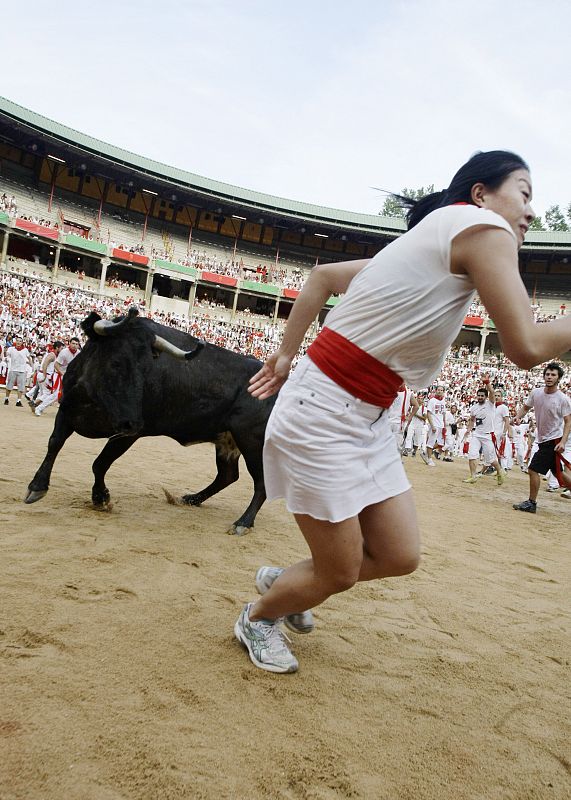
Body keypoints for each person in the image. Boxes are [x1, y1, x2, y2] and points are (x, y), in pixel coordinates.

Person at [234, 150, 571, 674]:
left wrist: (285, 353)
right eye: (524, 194)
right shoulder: (484, 228)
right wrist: (284, 355)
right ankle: (257, 617)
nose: (530, 212)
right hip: (324, 411)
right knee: (342, 571)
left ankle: (290, 583)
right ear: (481, 194)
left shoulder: (428, 243)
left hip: (364, 415)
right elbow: (525, 346)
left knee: (397, 555)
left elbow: (321, 276)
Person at [513, 363, 571, 513]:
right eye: (547, 374)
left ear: (559, 379)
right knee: (560, 474)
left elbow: (568, 421)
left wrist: (563, 441)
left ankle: (532, 503)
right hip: (544, 439)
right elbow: (526, 407)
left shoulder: (562, 399)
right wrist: (518, 417)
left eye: (553, 375)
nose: (549, 377)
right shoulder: (536, 393)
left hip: (554, 440)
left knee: (533, 469)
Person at [463, 379, 505, 485]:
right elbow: (472, 420)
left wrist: (487, 382)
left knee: (490, 459)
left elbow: (491, 391)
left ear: (486, 397)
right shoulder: (474, 408)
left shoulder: (490, 404)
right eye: (479, 395)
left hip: (488, 435)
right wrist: (468, 429)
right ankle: (473, 476)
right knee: (472, 455)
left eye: (482, 396)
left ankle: (500, 471)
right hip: (477, 434)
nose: (480, 397)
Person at [3, 334, 32, 406]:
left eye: (20, 341)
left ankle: (18, 401)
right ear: (16, 341)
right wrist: (6, 355)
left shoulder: (25, 350)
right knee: (9, 385)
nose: (19, 342)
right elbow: (6, 355)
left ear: (22, 342)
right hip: (13, 369)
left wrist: (31, 365)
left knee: (21, 387)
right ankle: (6, 398)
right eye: (18, 341)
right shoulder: (11, 349)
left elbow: (29, 357)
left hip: (22, 370)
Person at [425, 385, 447, 466]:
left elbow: (444, 414)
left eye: (441, 390)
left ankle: (425, 452)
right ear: (436, 390)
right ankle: (429, 459)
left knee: (441, 443)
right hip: (434, 424)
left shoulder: (443, 401)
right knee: (431, 441)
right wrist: (432, 425)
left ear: (443, 391)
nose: (439, 391)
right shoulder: (432, 400)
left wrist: (444, 425)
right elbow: (428, 413)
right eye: (438, 390)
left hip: (441, 425)